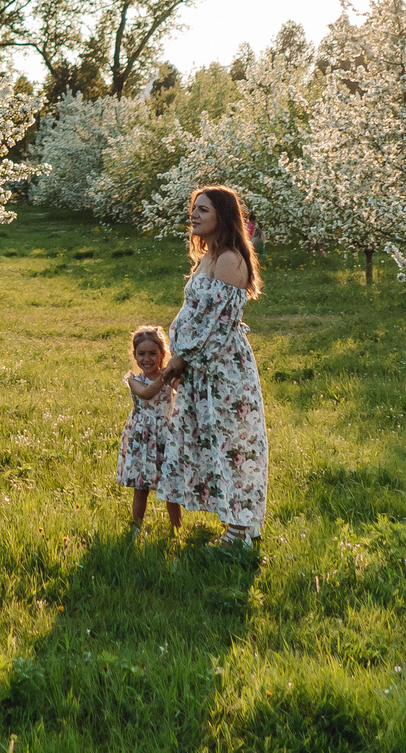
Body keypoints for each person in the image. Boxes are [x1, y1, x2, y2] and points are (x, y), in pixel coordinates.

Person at [140, 184, 268, 551]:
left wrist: (182, 357)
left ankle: (241, 533)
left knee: (235, 446)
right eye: (193, 209)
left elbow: (218, 322)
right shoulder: (208, 257)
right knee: (213, 445)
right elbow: (197, 316)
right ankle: (240, 527)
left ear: (223, 216)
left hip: (223, 370)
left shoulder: (229, 258)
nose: (194, 215)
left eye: (204, 210)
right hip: (202, 370)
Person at [116, 324, 182, 536]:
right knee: (141, 486)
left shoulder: (170, 377)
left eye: (153, 353)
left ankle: (176, 529)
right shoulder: (134, 380)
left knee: (170, 485)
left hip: (166, 435)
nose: (147, 359)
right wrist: (167, 374)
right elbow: (146, 394)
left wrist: (177, 371)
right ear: (134, 355)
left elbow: (185, 391)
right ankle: (136, 527)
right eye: (141, 354)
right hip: (142, 436)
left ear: (163, 354)